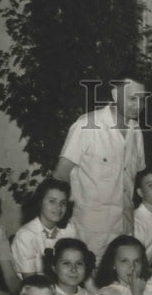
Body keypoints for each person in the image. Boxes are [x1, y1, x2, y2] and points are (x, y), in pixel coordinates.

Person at [53, 75, 147, 261]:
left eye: (142, 99)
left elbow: (132, 179)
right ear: (115, 94)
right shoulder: (86, 126)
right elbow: (59, 177)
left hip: (125, 230)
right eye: (132, 98)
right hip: (90, 233)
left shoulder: (136, 131)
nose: (138, 105)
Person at [10, 178, 77, 278]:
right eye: (52, 201)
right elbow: (30, 281)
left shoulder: (69, 230)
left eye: (63, 202)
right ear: (40, 202)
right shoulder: (26, 235)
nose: (58, 207)